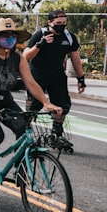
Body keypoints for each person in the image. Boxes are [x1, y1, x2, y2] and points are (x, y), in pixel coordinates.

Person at [0, 19, 61, 148]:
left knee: (24, 129)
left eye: (13, 36)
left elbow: (30, 82)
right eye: (5, 35)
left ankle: (21, 166)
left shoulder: (17, 57)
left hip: (4, 100)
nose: (10, 39)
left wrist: (46, 102)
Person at [23, 10, 86, 151]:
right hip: (37, 75)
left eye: (64, 23)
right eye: (58, 23)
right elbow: (26, 56)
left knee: (63, 106)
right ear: (50, 22)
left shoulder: (69, 37)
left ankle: (56, 134)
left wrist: (80, 78)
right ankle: (24, 134)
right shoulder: (41, 34)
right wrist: (40, 44)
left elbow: (75, 58)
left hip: (57, 75)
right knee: (33, 107)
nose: (61, 26)